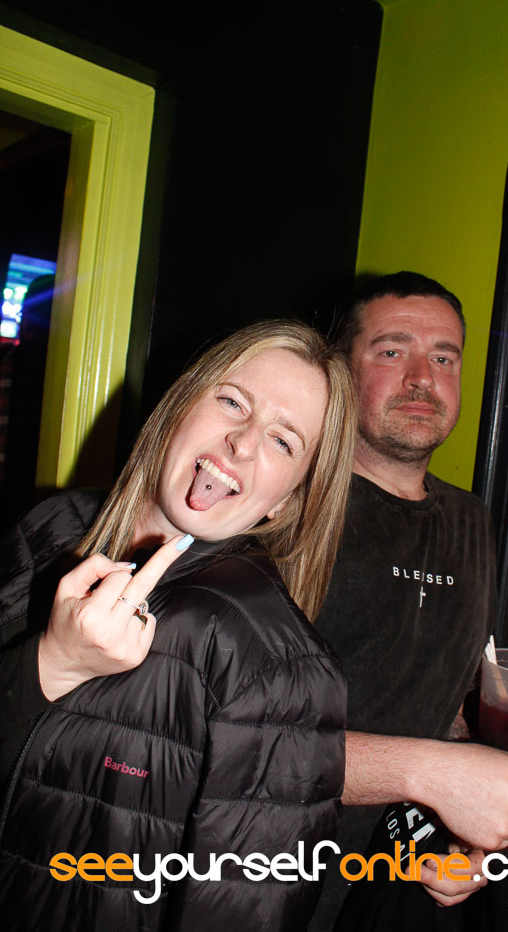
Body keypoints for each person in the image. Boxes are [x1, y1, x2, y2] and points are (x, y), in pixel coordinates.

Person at [0, 320, 356, 932]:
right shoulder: (50, 527)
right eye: (232, 402)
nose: (243, 442)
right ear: (179, 406)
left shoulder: (278, 668)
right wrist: (51, 664)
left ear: (288, 500)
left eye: (283, 440)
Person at [310, 272, 508, 930]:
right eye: (391, 351)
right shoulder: (292, 508)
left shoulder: (470, 520)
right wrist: (436, 775)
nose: (421, 379)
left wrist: (462, 827)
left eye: (443, 358)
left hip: (395, 883)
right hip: (269, 874)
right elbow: (228, 738)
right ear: (342, 371)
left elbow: (443, 706)